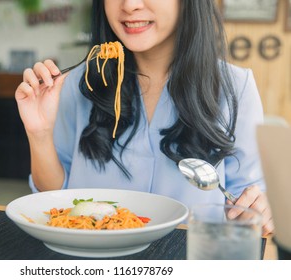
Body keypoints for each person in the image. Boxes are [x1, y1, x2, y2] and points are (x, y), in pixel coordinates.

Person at [15, 0, 273, 234]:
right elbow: (55, 199)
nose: (130, 5)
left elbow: (247, 206)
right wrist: (39, 133)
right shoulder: (78, 84)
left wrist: (260, 209)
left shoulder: (235, 87)